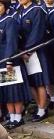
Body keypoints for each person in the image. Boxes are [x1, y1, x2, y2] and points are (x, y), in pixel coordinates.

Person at [0, 0, 30, 130]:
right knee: (6, 91)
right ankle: (11, 116)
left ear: (5, 6)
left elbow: (12, 41)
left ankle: (18, 116)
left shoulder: (9, 20)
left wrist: (9, 60)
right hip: (1, 61)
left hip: (9, 60)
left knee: (14, 90)